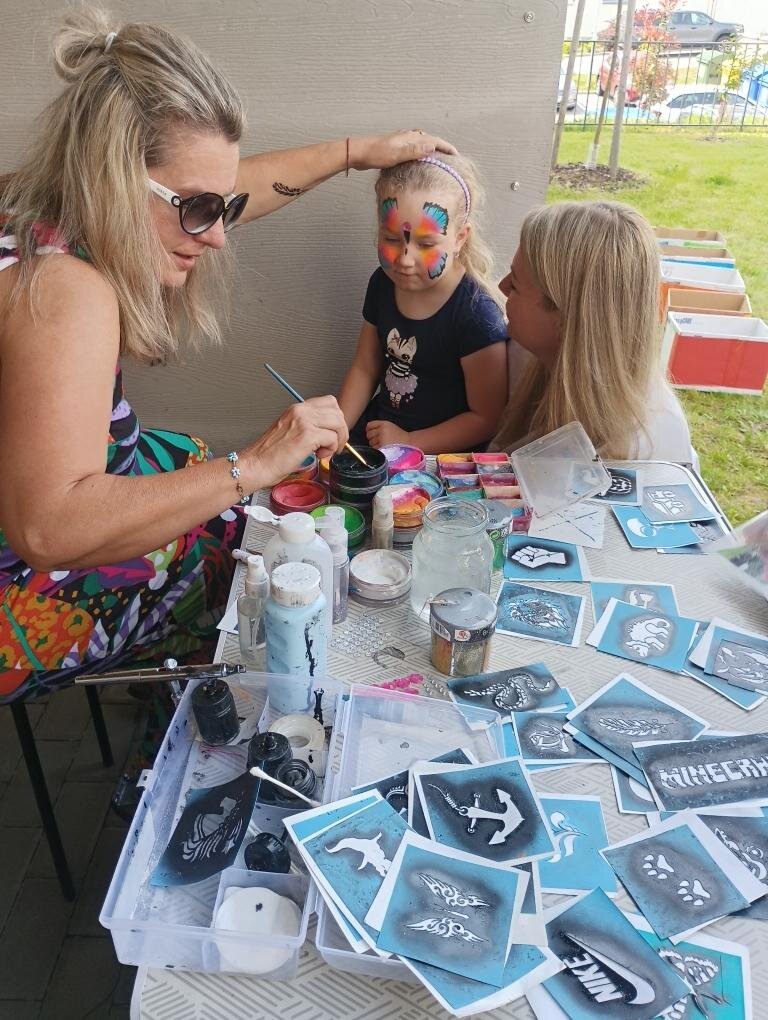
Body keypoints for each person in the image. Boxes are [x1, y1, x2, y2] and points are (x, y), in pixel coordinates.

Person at [0, 6, 455, 704]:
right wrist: (253, 466)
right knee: (237, 555)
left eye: (222, 208)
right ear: (114, 178)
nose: (216, 236)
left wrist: (356, 152)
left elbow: (222, 187)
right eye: (196, 210)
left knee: (192, 463)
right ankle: (191, 732)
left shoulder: (28, 206)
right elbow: (48, 528)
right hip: (18, 591)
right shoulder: (64, 290)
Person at [493, 200, 694, 462]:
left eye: (516, 285)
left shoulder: (637, 451)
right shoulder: (528, 352)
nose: (502, 286)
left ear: (566, 316)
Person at [337, 154, 508, 454]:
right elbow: (365, 368)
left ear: (459, 238)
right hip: (379, 437)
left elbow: (487, 419)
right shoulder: (382, 283)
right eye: (391, 239)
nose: (404, 259)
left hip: (439, 457)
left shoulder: (476, 313)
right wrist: (338, 429)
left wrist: (410, 442)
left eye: (426, 244)